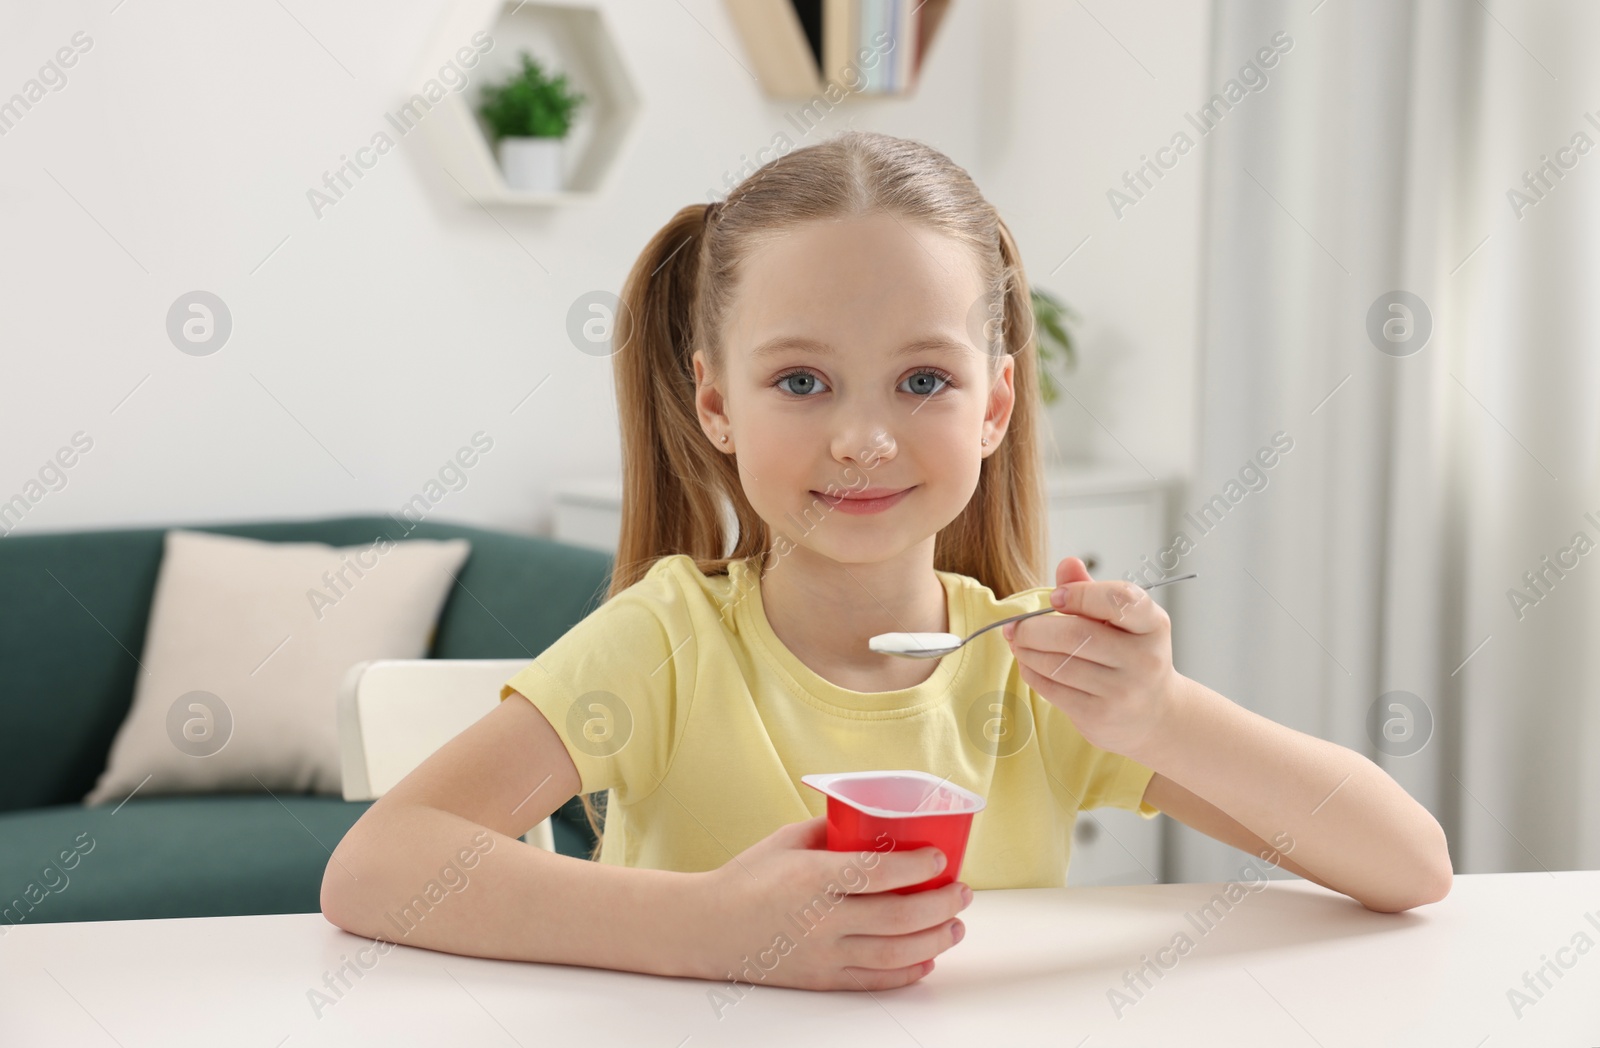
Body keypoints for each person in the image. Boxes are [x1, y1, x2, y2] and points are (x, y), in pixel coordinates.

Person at [321, 130, 1451, 993]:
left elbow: (1409, 865)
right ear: (714, 400)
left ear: (996, 403)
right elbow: (377, 866)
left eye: (922, 381)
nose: (862, 438)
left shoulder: (1036, 676)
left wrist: (1158, 715)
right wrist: (714, 929)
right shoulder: (664, 642)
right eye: (801, 382)